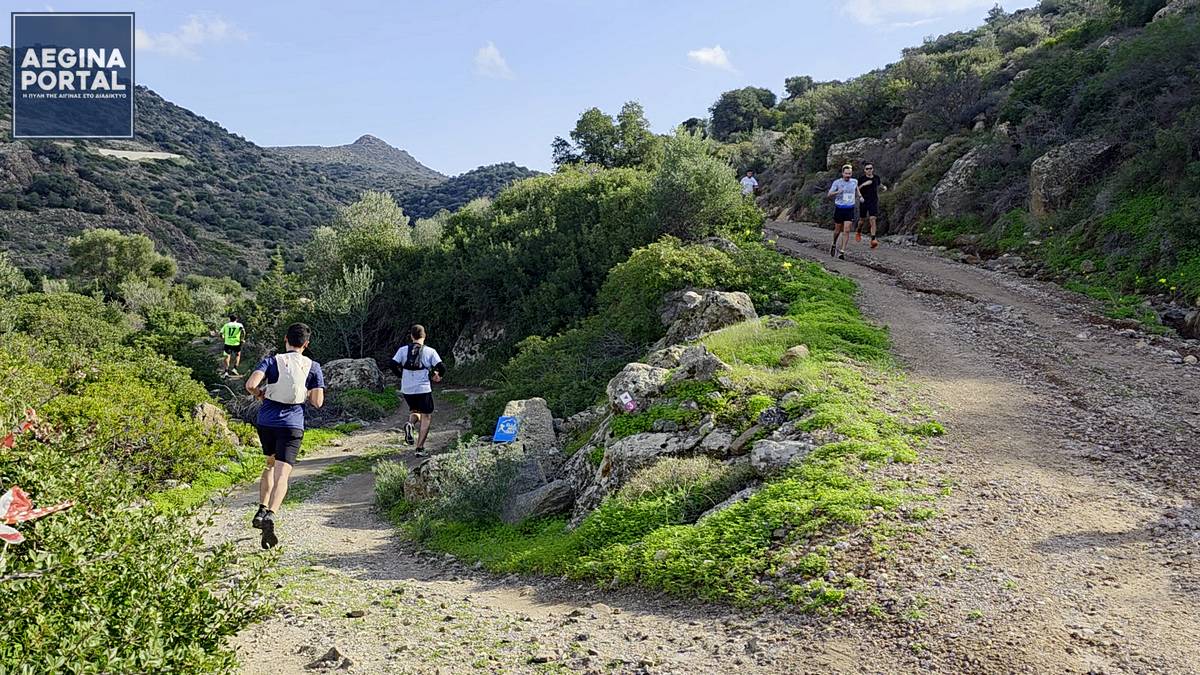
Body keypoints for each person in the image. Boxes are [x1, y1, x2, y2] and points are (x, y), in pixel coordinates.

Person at [244, 323, 325, 549]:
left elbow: (250, 384)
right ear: (306, 344)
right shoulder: (313, 366)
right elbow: (318, 402)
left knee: (269, 465)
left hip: (267, 421)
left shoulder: (272, 360)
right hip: (292, 424)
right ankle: (271, 514)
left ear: (285, 339)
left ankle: (261, 508)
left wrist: (260, 393)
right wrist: (305, 391)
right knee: (283, 473)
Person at [388, 324, 446, 456]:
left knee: (415, 411)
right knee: (426, 416)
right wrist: (438, 376)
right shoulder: (430, 351)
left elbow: (392, 364)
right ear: (424, 336)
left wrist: (400, 375)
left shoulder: (403, 350)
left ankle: (410, 424)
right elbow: (441, 366)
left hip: (407, 388)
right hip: (423, 388)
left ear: (411, 336)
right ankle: (419, 449)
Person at [827, 164, 861, 260]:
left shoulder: (854, 181)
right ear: (842, 173)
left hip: (849, 209)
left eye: (849, 173)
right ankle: (834, 243)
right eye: (846, 173)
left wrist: (860, 196)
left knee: (846, 230)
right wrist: (838, 192)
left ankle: (842, 252)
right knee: (837, 231)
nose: (848, 175)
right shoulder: (837, 183)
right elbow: (829, 194)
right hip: (839, 208)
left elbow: (857, 189)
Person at [856, 162, 887, 249]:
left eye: (870, 168)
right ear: (864, 170)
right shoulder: (861, 178)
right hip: (864, 201)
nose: (869, 170)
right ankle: (858, 231)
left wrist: (883, 187)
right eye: (867, 169)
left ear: (873, 169)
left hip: (873, 201)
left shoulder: (876, 177)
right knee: (862, 220)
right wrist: (864, 185)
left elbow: (878, 184)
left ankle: (873, 239)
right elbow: (857, 188)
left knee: (872, 219)